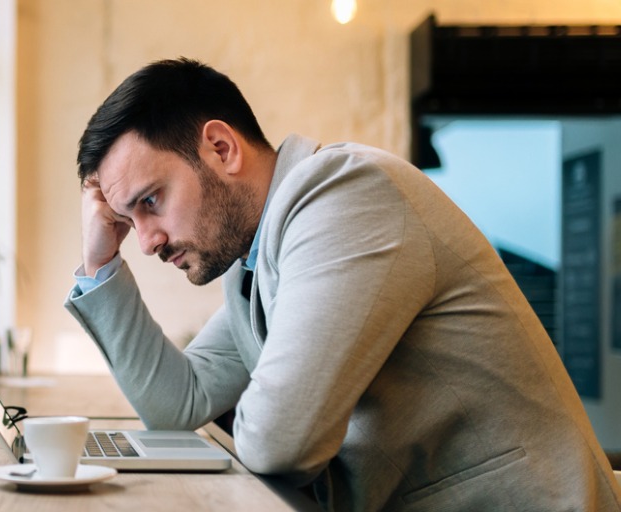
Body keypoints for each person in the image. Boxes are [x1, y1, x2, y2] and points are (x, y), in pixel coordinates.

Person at [63, 58, 621, 511]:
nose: (147, 241)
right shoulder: (254, 260)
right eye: (127, 220)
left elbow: (283, 441)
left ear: (221, 148)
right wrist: (99, 265)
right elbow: (179, 402)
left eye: (151, 202)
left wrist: (266, 406)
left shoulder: (345, 193)